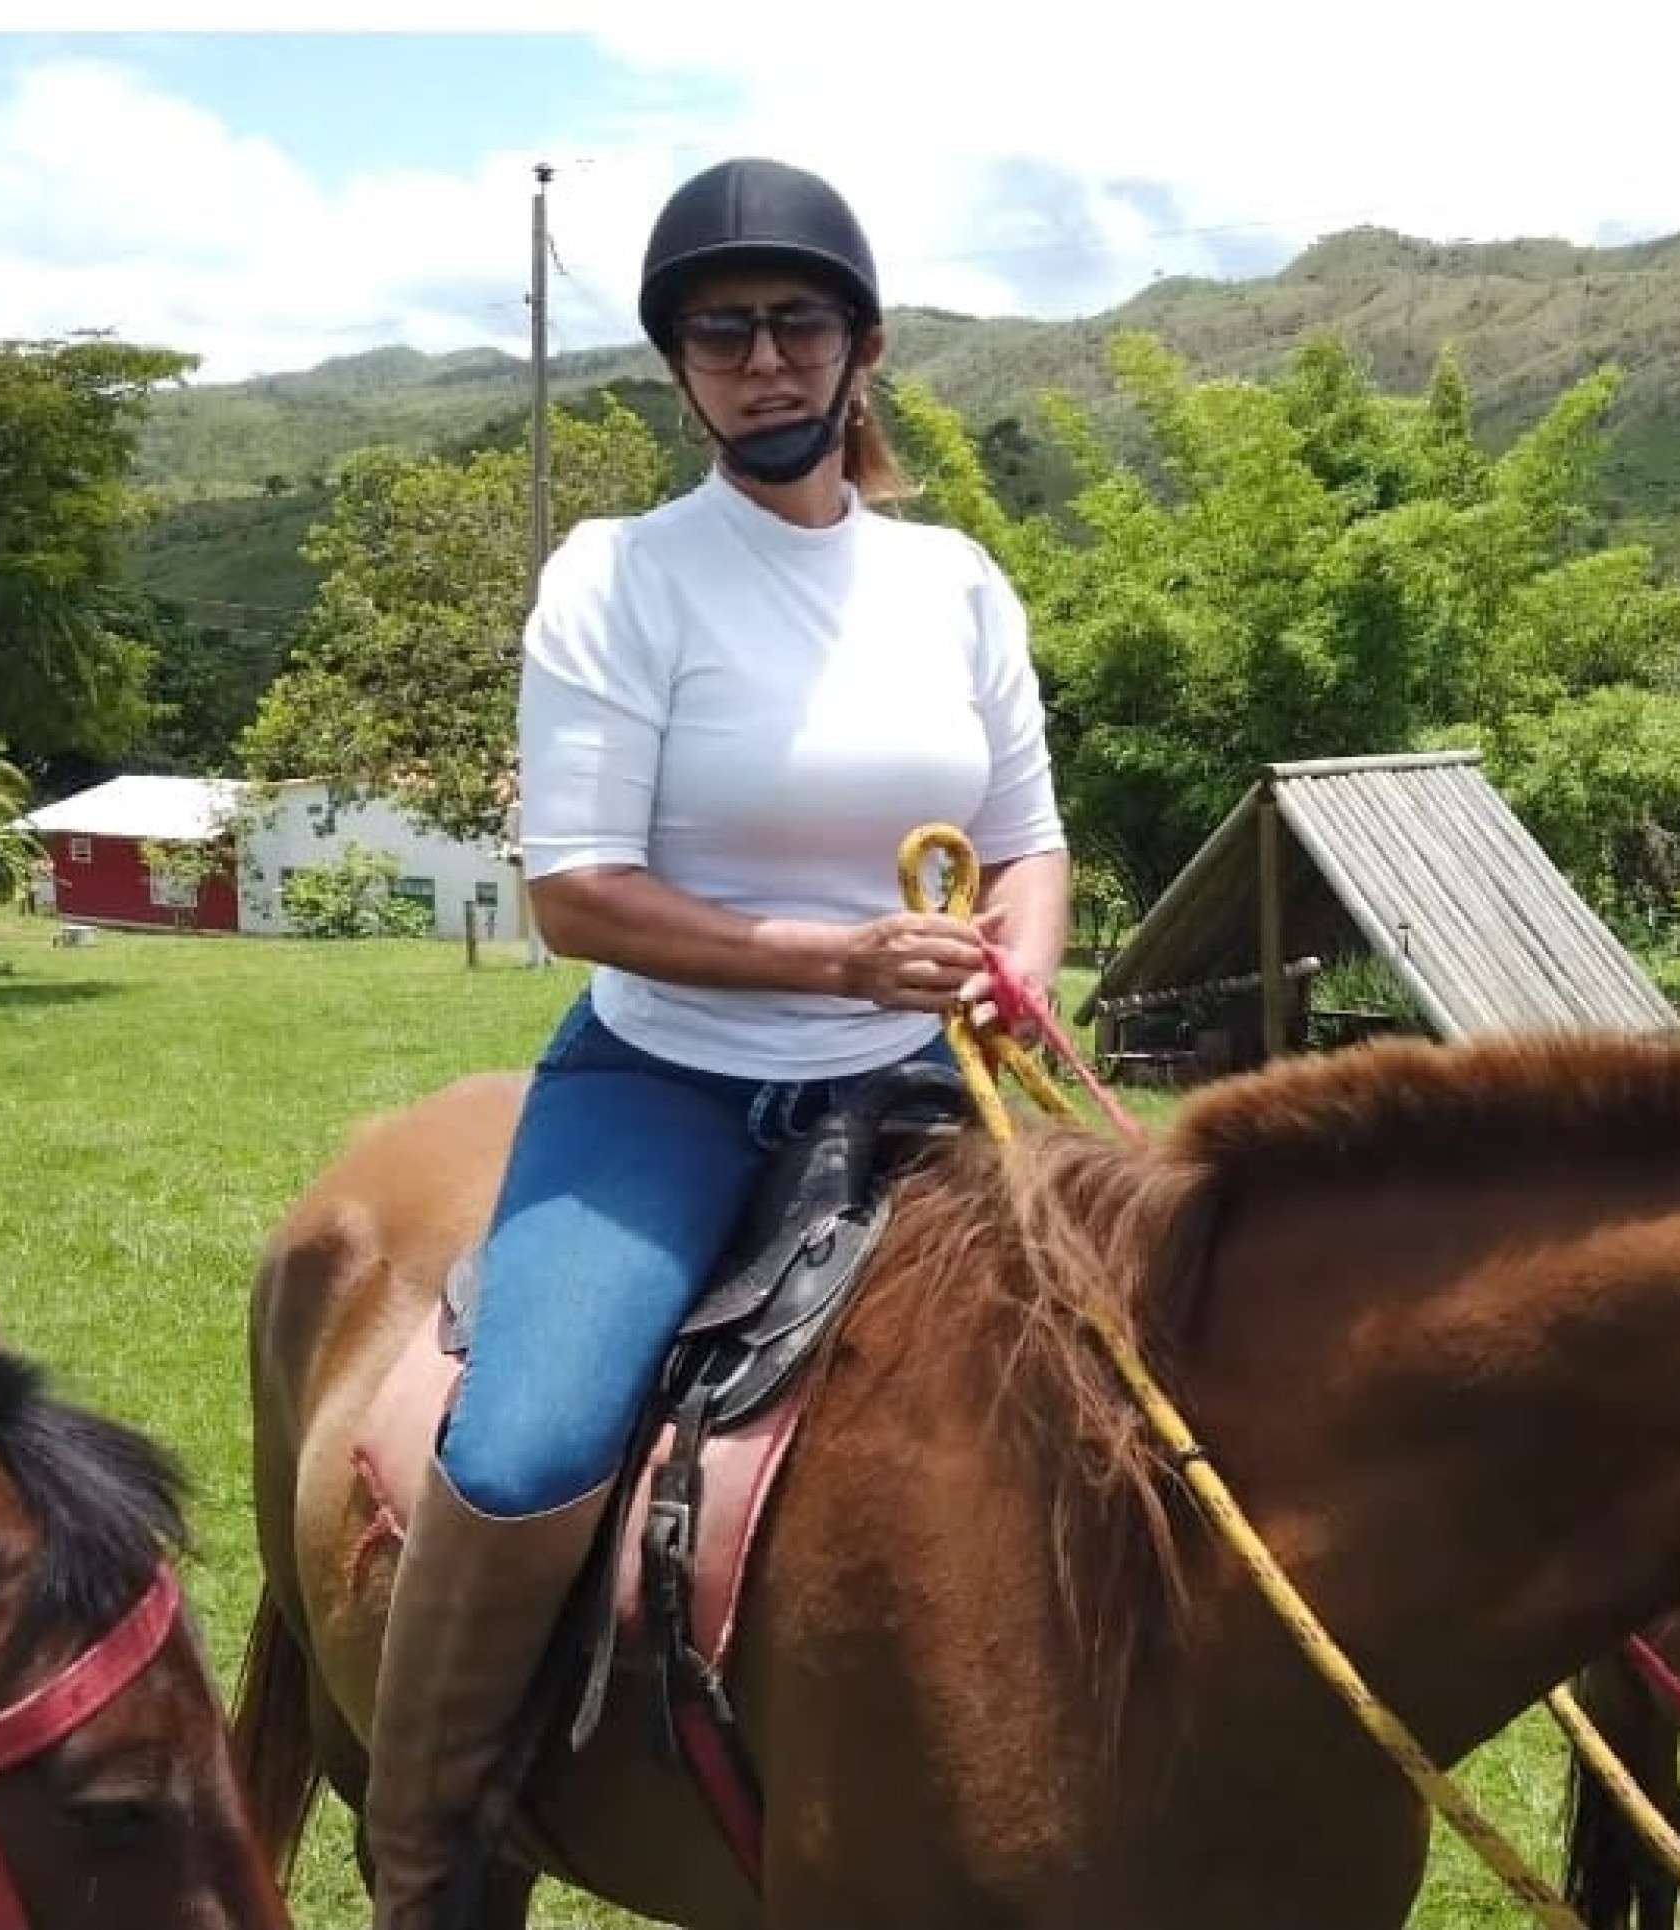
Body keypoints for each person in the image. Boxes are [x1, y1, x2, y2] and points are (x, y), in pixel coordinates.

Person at [359, 156, 1070, 1929]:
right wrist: (840, 961)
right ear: (679, 368)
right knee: (525, 1445)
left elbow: (1025, 840)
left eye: (795, 325)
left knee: (1134, 1376)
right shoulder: (619, 578)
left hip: (920, 1080)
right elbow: (576, 896)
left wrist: (1011, 964)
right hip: (669, 1075)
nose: (761, 363)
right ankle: (426, 1846)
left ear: (863, 347)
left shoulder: (955, 585)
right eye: (719, 333)